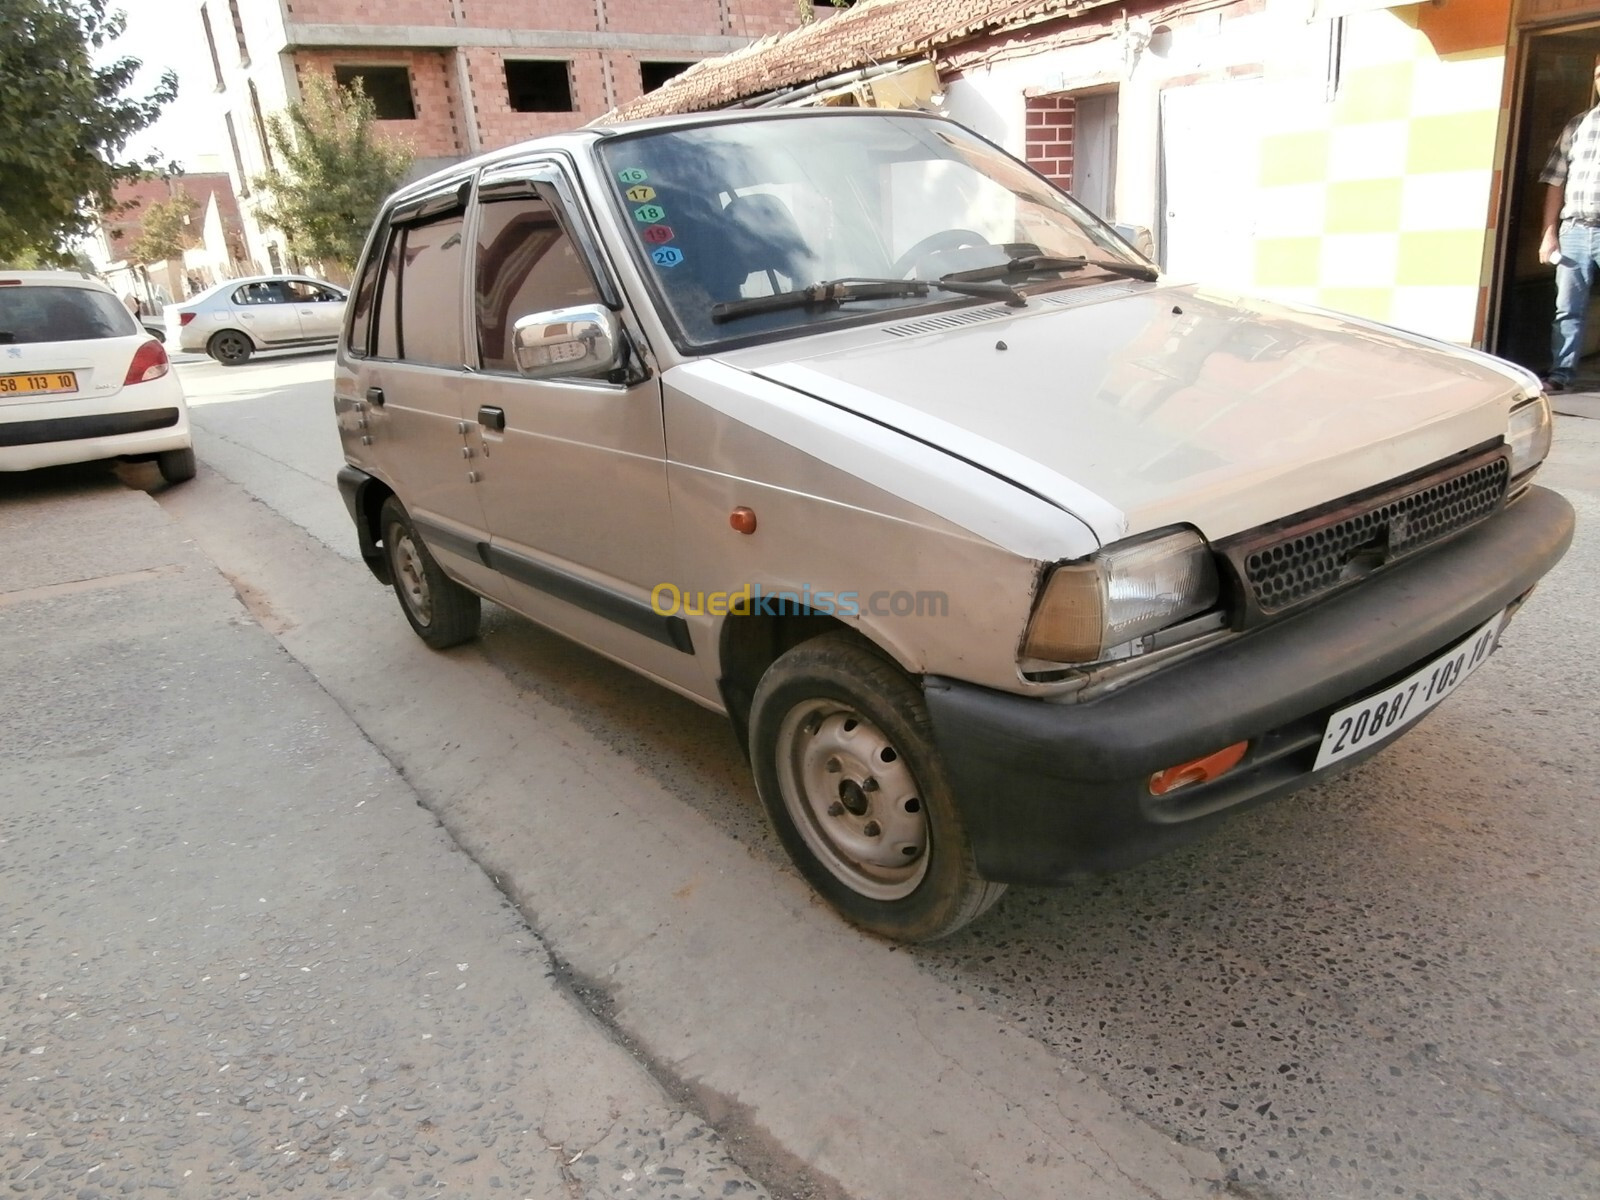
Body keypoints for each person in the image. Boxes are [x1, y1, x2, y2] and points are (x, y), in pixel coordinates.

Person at [1538, 56, 1600, 393]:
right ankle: (1560, 375)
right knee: (1567, 310)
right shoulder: (1577, 126)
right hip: (1574, 230)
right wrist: (1549, 234)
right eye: (1598, 74)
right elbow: (1555, 182)